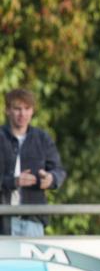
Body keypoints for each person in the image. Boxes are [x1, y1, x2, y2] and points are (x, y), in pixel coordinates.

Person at [1, 89, 67, 236]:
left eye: (27, 109)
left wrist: (51, 179)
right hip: (2, 219)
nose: (22, 114)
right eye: (17, 109)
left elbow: (59, 170)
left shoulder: (42, 138)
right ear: (8, 110)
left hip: (33, 219)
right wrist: (13, 181)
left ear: (32, 111)